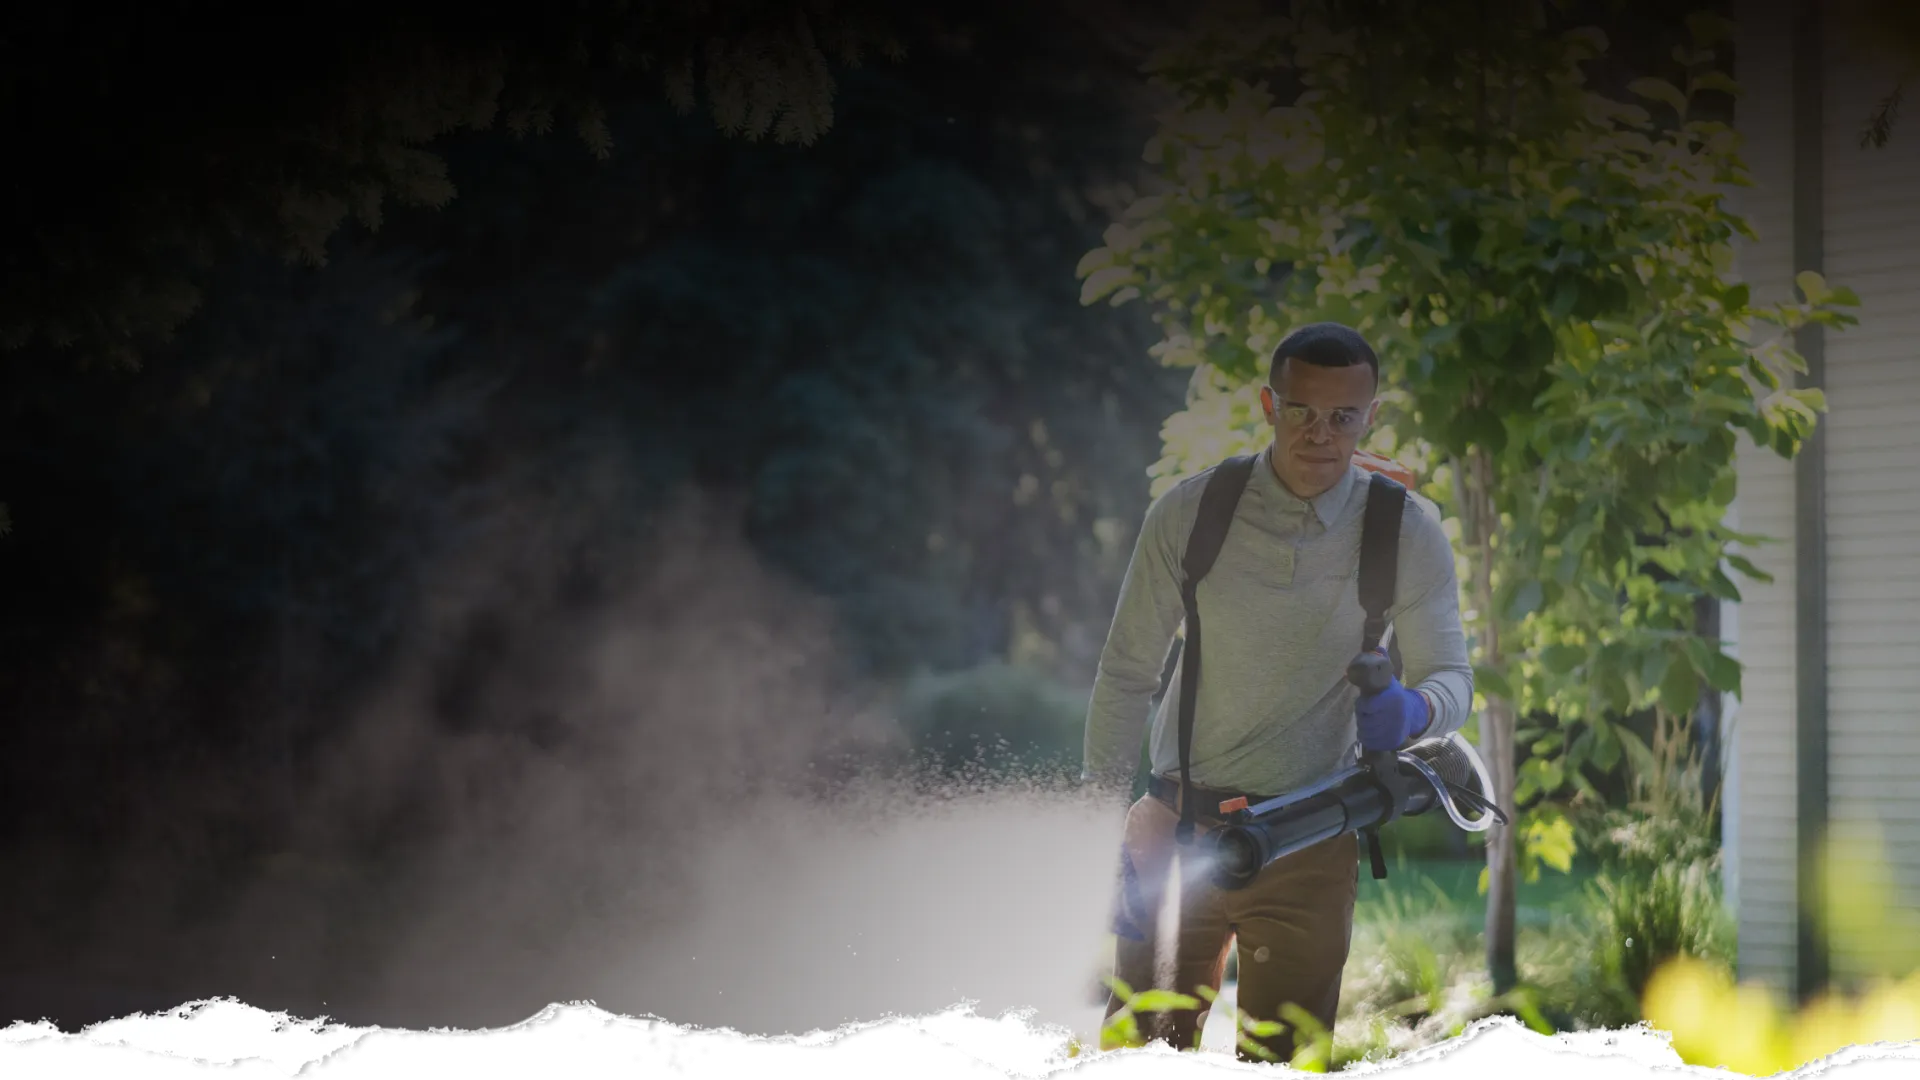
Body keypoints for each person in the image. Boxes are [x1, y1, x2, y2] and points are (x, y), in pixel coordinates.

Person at [1083, 322, 1474, 1062]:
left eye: (1343, 417)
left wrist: (1413, 710)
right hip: (1174, 830)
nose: (1320, 435)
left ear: (1371, 418)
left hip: (1310, 840)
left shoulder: (1407, 532)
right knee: (1137, 1054)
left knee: (1285, 1063)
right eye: (1301, 411)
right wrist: (1100, 824)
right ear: (1269, 404)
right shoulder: (1191, 513)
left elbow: (1452, 679)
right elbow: (1126, 673)